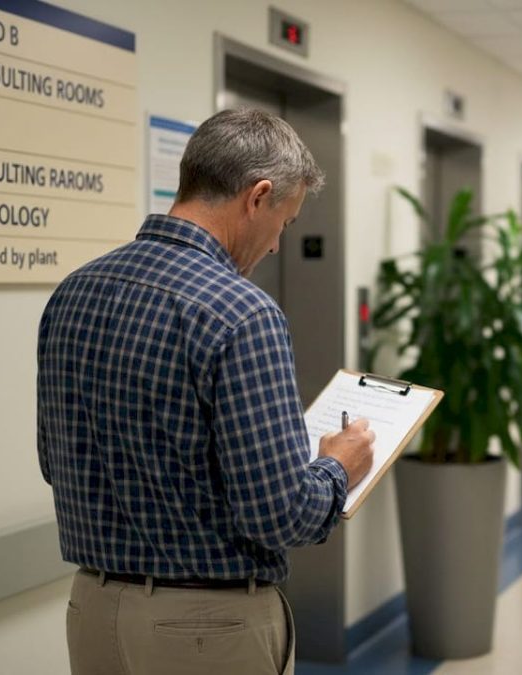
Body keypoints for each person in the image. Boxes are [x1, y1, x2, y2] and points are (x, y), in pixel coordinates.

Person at [37, 109, 376, 675]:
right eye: (285, 223)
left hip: (91, 611)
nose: (274, 247)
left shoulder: (73, 292)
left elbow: (56, 462)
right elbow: (279, 513)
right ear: (257, 196)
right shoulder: (243, 314)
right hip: (206, 632)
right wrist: (338, 467)